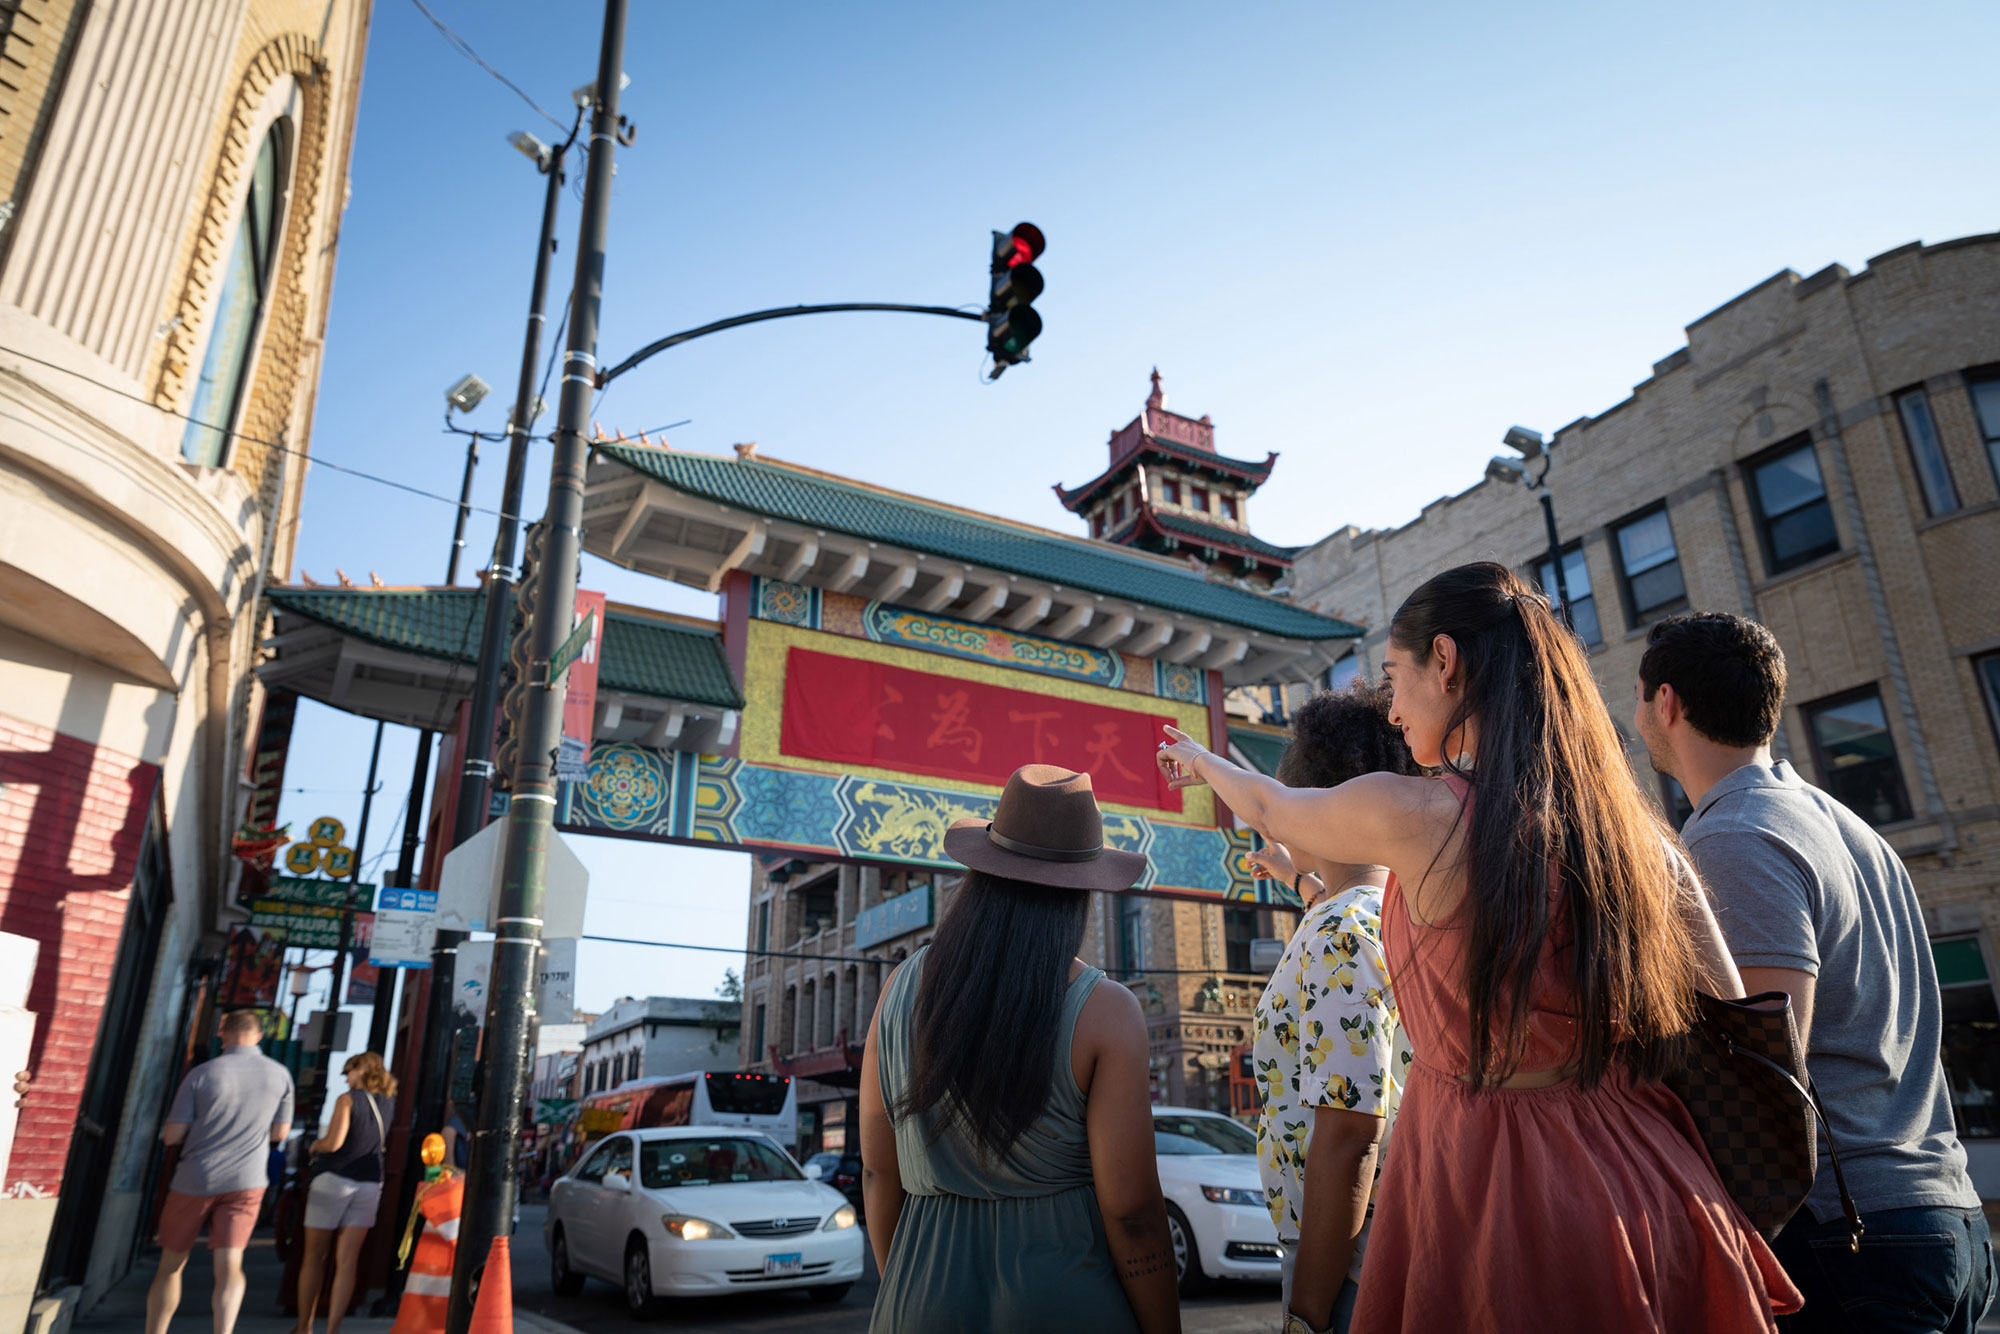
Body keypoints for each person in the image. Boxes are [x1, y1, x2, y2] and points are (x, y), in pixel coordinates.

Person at [1157, 561, 1801, 1333]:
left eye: (1394, 677)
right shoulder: (1637, 838)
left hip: (1488, 1178)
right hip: (1651, 1176)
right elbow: (1736, 1023)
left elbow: (1273, 805)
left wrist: (1199, 761)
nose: (1392, 710)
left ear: (1446, 661)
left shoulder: (1418, 814)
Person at [1635, 611, 1993, 1332]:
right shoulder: (1844, 823)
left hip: (1848, 1235)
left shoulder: (1736, 834)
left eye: (1640, 699)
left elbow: (1764, 1065)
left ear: (1665, 703)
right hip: (1940, 1216)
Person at [859, 764, 1181, 1334]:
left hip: (919, 1300)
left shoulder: (898, 989)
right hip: (1065, 1299)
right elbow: (1132, 1214)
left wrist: (908, 1286)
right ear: (1083, 888)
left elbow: (879, 1175)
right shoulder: (1106, 1010)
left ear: (983, 873)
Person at [1245, 681, 1423, 1334]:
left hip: (1348, 1252)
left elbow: (1348, 1136)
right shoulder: (1404, 912)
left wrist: (1309, 1312)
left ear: (1316, 811)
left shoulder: (1338, 933)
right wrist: (1301, 879)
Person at [147, 1009, 295, 1334]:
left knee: (171, 1264)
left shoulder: (202, 1074)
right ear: (259, 1036)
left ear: (223, 1034)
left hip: (196, 1177)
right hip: (248, 1180)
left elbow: (172, 1135)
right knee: (230, 1265)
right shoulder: (281, 1075)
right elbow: (280, 1134)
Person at [294, 1051, 397, 1334]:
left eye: (348, 1072)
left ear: (361, 1071)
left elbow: (335, 1143)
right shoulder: (388, 1103)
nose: (346, 1078)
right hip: (368, 1184)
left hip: (335, 1179)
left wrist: (316, 1145)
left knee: (314, 1256)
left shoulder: (348, 1100)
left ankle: (304, 1326)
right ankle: (334, 1328)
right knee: (348, 1261)